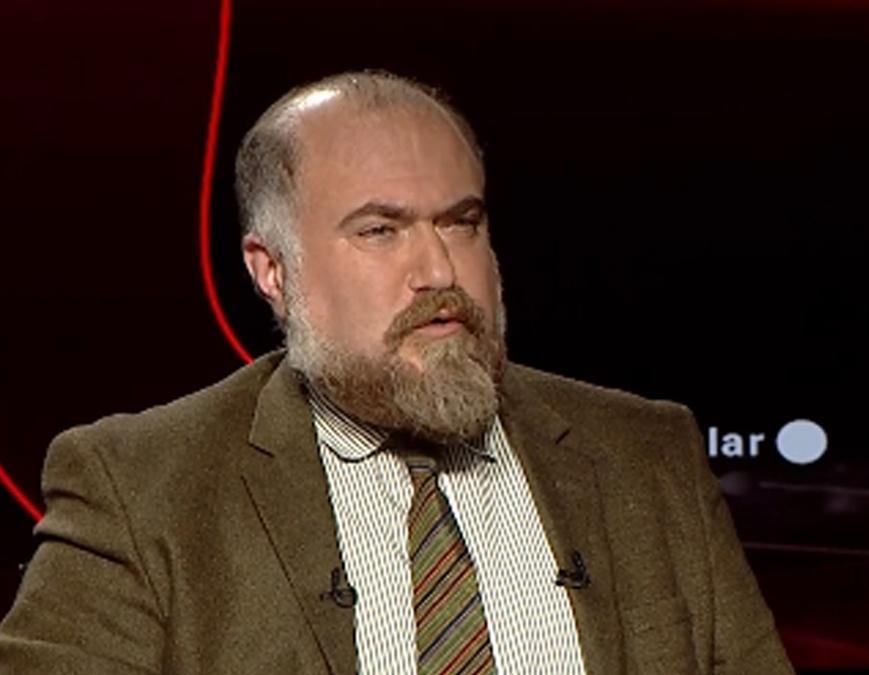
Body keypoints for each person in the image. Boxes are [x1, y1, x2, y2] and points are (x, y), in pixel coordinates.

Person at [0, 70, 790, 674]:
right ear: (272, 270)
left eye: (462, 222)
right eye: (381, 230)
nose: (439, 270)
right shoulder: (138, 487)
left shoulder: (648, 453)